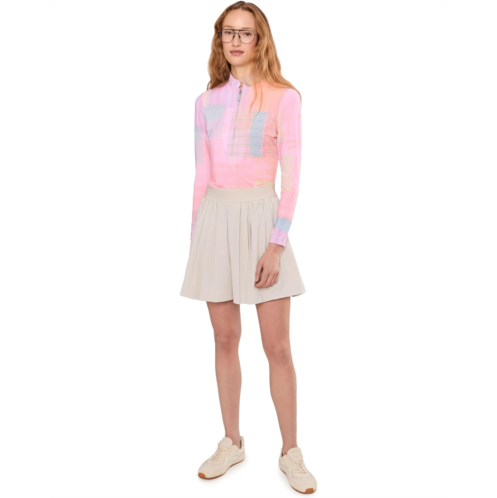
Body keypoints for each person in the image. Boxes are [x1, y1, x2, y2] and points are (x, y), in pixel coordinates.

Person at [180, 1, 317, 494]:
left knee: (277, 346)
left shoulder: (284, 98)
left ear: (261, 40)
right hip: (215, 218)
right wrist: (196, 240)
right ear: (219, 39)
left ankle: (291, 451)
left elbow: (292, 177)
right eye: (228, 33)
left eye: (246, 33)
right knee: (224, 339)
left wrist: (276, 243)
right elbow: (201, 175)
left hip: (262, 220)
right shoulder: (206, 102)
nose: (236, 41)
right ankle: (232, 442)